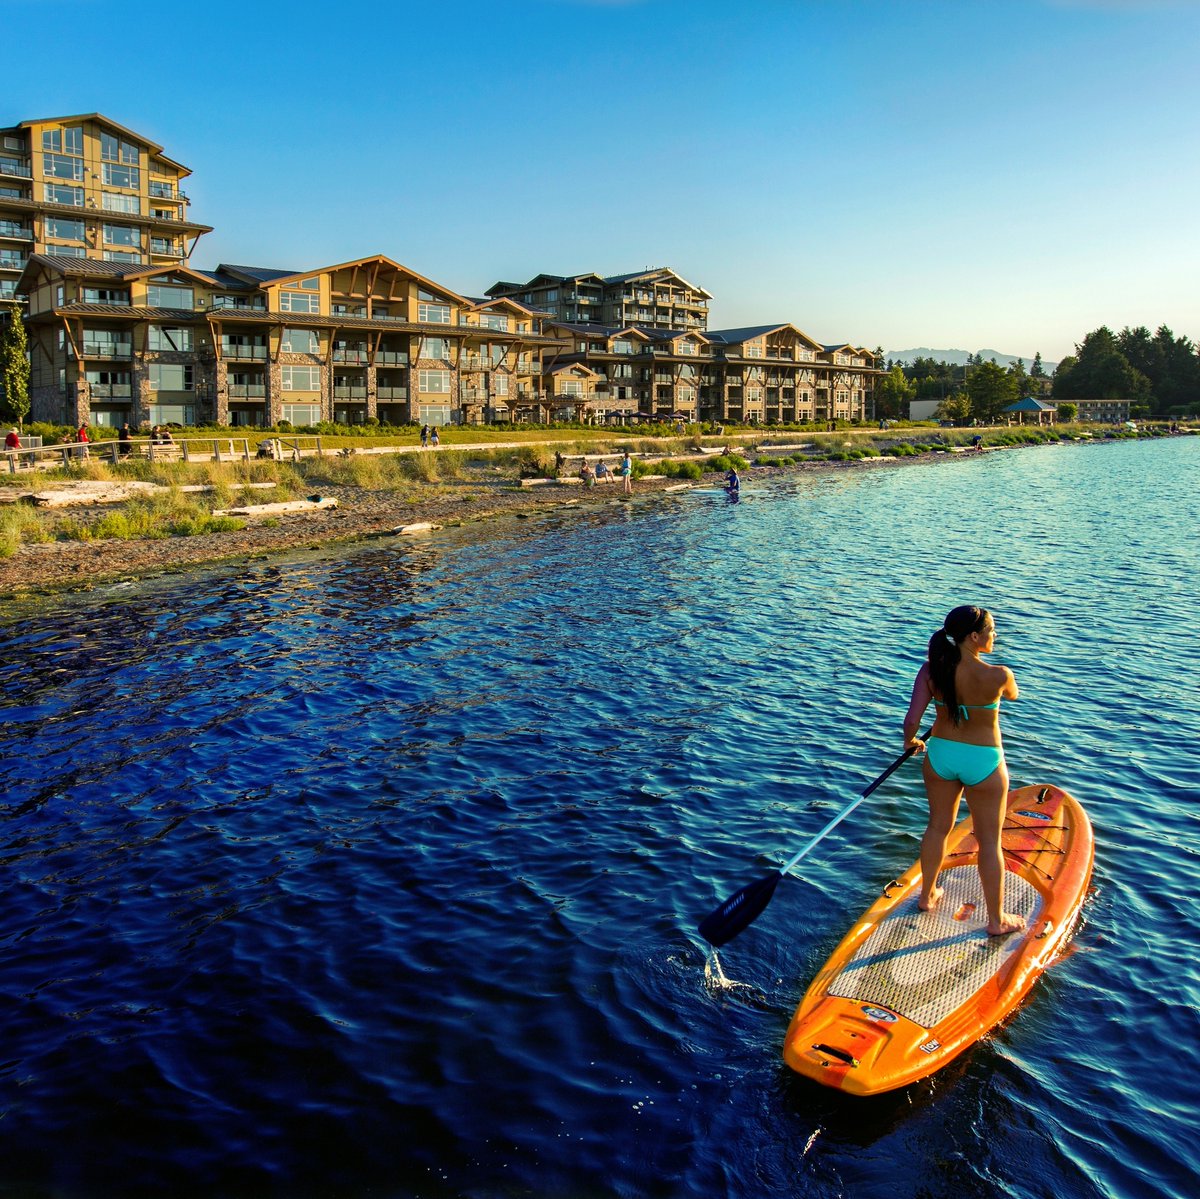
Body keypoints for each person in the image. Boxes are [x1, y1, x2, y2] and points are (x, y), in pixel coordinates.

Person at [903, 605, 1024, 936]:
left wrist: (911, 742)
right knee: (989, 842)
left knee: (937, 827)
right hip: (983, 761)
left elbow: (912, 720)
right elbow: (1013, 696)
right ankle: (997, 921)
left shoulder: (931, 670)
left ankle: (927, 896)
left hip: (941, 755)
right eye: (991, 631)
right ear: (974, 636)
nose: (994, 635)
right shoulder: (999, 674)